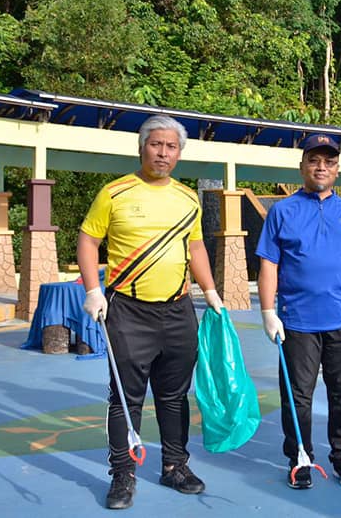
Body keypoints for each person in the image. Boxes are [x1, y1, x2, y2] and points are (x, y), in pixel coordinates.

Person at [77, 114, 225, 510]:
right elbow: (89, 241)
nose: (163, 152)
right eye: (156, 144)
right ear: (141, 148)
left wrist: (210, 291)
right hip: (127, 310)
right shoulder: (115, 192)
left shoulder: (187, 198)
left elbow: (195, 248)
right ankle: (123, 474)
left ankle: (175, 466)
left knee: (175, 396)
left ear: (179, 153)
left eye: (171, 146)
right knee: (125, 398)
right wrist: (94, 290)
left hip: (178, 310)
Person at [255, 133, 341, 490]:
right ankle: (300, 457)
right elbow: (268, 265)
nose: (321, 167)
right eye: (314, 160)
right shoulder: (282, 211)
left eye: (328, 161)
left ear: (337, 169)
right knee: (298, 396)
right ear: (302, 166)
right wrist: (267, 311)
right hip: (297, 322)